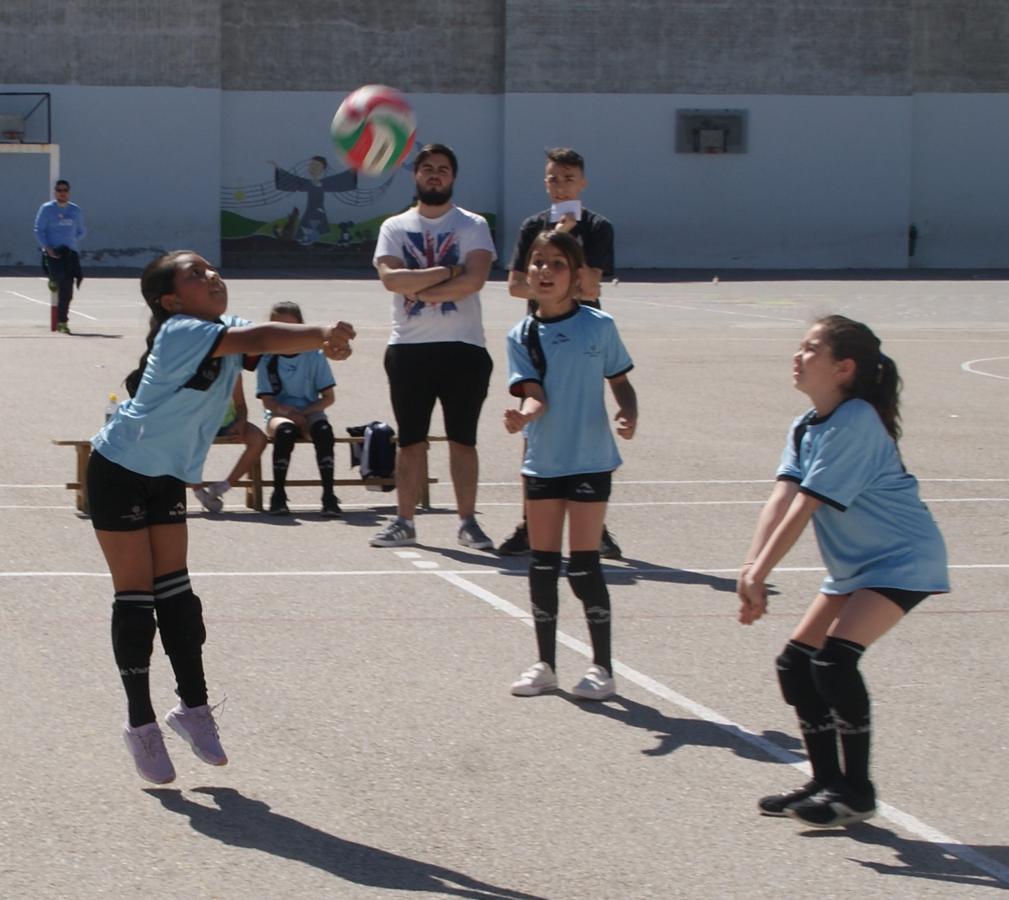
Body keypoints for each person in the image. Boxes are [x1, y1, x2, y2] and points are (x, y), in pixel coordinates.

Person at [87, 250, 354, 784]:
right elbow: (256, 341)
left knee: (179, 599)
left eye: (211, 269)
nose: (212, 276)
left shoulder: (223, 326)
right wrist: (323, 328)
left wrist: (320, 341)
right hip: (118, 469)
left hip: (164, 476)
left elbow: (264, 336)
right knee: (137, 601)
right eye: (195, 274)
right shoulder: (180, 331)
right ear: (170, 300)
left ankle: (193, 709)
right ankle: (140, 724)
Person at [737, 315, 949, 828]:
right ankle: (826, 781)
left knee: (833, 662)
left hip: (903, 560)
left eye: (811, 349)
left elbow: (807, 505)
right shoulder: (807, 424)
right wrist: (751, 567)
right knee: (796, 663)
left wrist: (762, 572)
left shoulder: (855, 420)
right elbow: (782, 495)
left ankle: (857, 792)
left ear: (843, 367)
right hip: (857, 567)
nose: (798, 355)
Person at [504, 231, 637, 701]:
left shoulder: (599, 327)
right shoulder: (521, 335)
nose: (544, 271)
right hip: (543, 461)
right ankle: (545, 664)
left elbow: (619, 380)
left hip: (591, 459)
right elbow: (533, 393)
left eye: (556, 264)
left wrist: (629, 410)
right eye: (537, 262)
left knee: (583, 567)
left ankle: (602, 668)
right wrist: (524, 413)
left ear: (576, 276)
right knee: (542, 564)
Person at [370, 142, 496, 550]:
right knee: (410, 441)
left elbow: (473, 280)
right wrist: (448, 272)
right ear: (416, 176)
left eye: (443, 168)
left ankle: (467, 522)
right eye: (427, 168)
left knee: (463, 439)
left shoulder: (472, 224)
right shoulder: (394, 226)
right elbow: (392, 280)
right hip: (408, 350)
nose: (435, 174)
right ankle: (404, 521)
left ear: (453, 177)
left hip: (463, 347)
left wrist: (420, 288)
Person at [498, 148, 621, 559]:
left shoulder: (598, 227)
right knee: (534, 427)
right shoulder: (534, 226)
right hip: (540, 338)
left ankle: (594, 524)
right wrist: (546, 285)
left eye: (568, 178)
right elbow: (516, 286)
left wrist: (569, 240)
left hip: (583, 336)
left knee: (585, 423)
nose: (560, 185)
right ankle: (529, 522)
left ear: (582, 182)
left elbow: (589, 289)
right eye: (553, 178)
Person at [255, 300, 341, 516]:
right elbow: (268, 400)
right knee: (286, 432)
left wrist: (303, 413)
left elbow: (328, 398)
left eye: (290, 328)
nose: (284, 334)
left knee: (323, 431)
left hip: (309, 409)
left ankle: (329, 495)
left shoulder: (314, 355)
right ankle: (278, 495)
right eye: (278, 328)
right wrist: (289, 414)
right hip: (280, 412)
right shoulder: (267, 359)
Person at [192, 374, 268, 513]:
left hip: (228, 423)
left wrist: (241, 422)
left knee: (259, 440)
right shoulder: (192, 367)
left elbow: (240, 405)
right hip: (199, 425)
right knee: (183, 443)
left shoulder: (233, 373)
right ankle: (198, 491)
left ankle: (223, 486)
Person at [34, 179, 86, 333]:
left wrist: (70, 241)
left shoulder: (76, 210)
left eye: (65, 190)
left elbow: (82, 231)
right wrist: (47, 247)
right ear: (55, 192)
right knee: (57, 277)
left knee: (67, 291)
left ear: (69, 192)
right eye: (59, 190)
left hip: (69, 253)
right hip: (52, 252)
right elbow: (38, 230)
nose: (62, 193)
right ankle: (52, 278)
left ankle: (62, 322)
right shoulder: (46, 209)